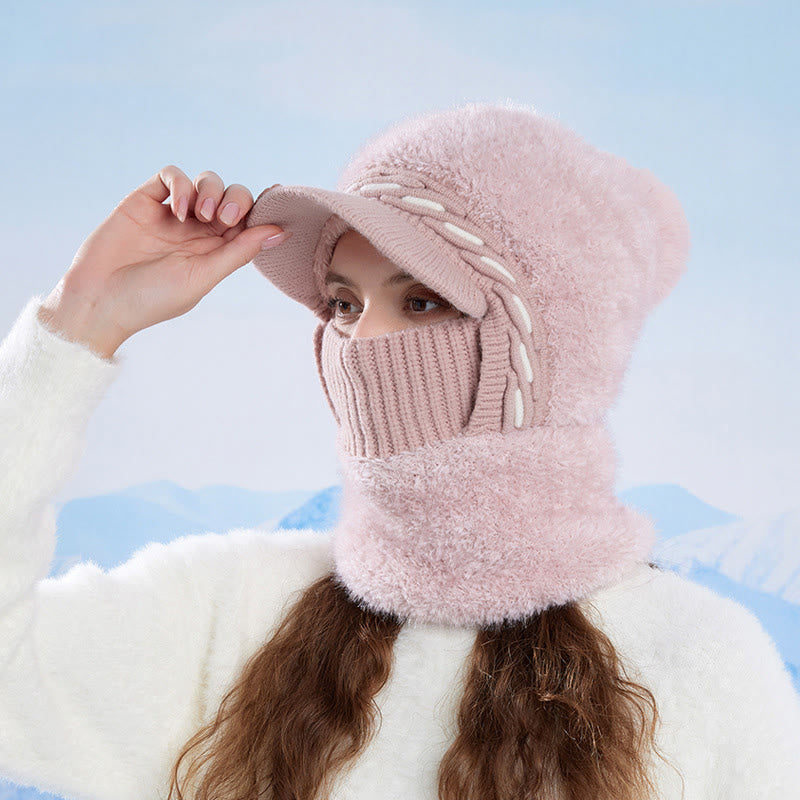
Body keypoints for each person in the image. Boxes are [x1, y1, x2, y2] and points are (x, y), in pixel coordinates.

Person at [0, 103, 798, 800]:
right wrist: (82, 321)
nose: (361, 343)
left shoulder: (699, 665)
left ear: (552, 349)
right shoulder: (236, 613)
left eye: (420, 301)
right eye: (342, 303)